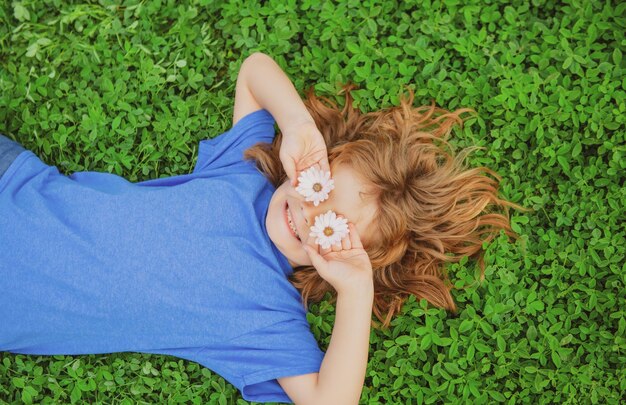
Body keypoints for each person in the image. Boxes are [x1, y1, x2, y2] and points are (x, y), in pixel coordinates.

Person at [0, 52, 525, 404]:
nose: (308, 212)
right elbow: (254, 69)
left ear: (346, 257)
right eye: (319, 187)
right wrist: (298, 126)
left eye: (334, 227)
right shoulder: (243, 172)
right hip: (13, 183)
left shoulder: (267, 320)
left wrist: (357, 292)